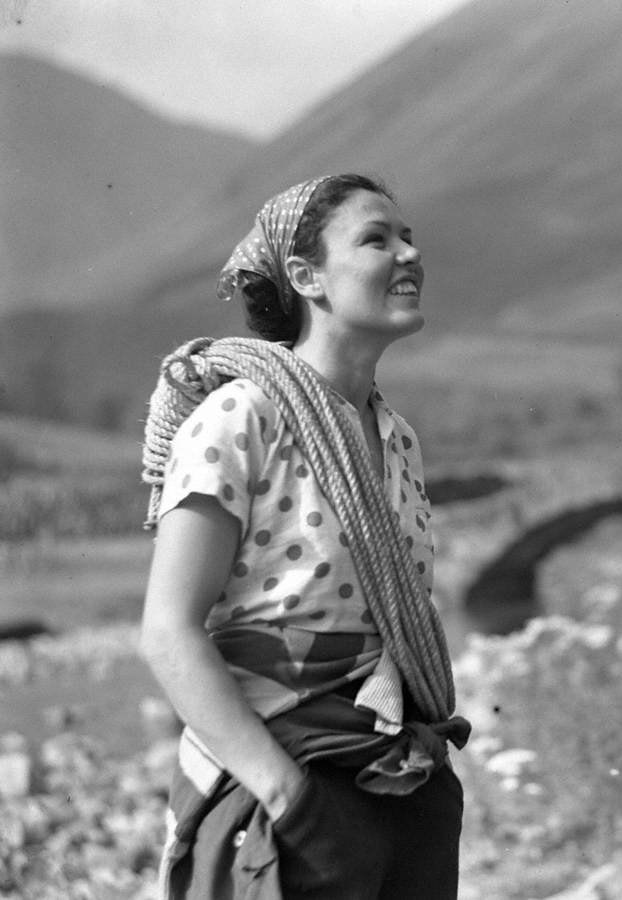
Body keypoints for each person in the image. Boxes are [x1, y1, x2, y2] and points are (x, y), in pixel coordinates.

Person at [139, 174, 469, 899]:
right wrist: (287, 796)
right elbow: (168, 632)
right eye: (376, 239)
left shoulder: (397, 437)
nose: (408, 254)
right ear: (305, 276)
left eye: (408, 237)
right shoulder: (241, 419)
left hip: (399, 781)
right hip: (290, 795)